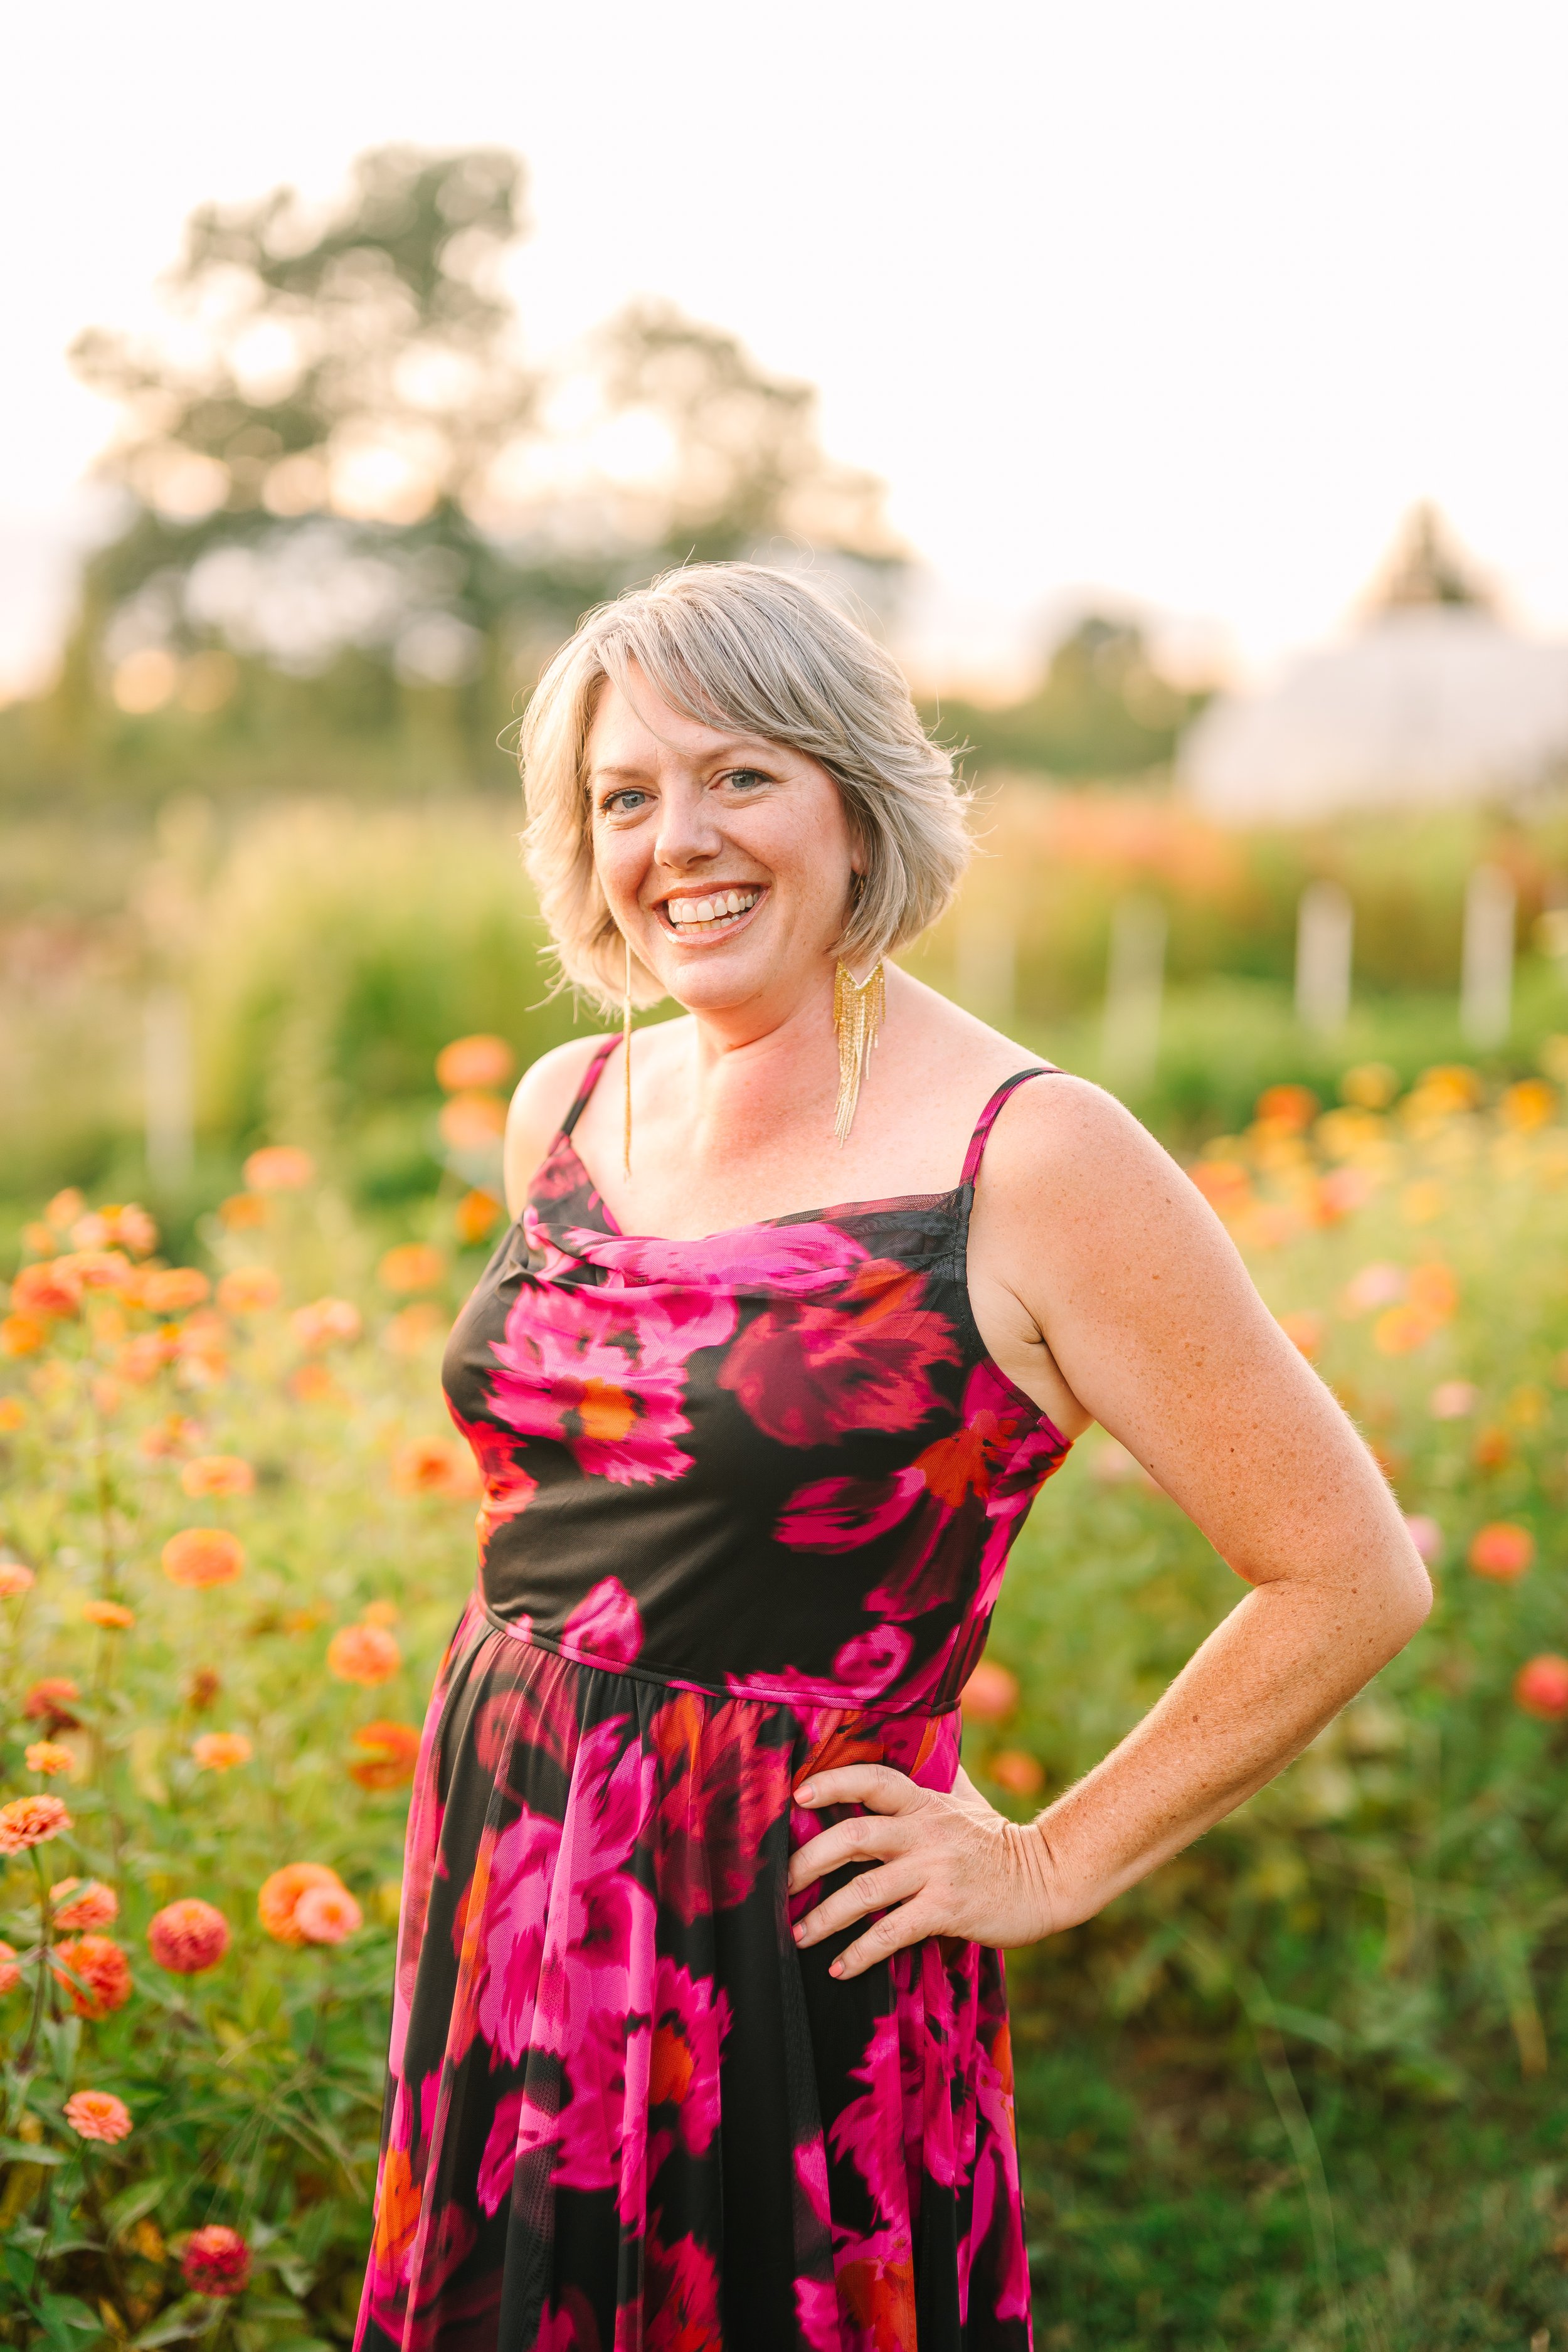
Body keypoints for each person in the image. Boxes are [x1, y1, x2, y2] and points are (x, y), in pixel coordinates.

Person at [355, 564, 1430, 2352]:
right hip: (509, 1872)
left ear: (857, 802)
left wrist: (1051, 1860)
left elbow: (1347, 1571)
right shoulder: (565, 1107)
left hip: (781, 1945)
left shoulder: (1034, 1158)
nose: (677, 841)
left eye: (740, 777)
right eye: (626, 796)